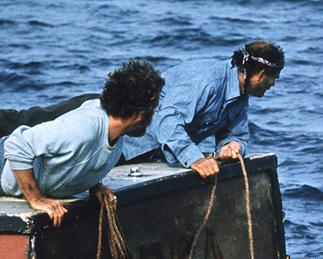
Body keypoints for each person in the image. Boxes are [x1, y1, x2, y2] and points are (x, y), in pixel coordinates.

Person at [0, 59, 164, 227]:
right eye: (154, 107)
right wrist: (36, 199)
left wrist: (94, 185)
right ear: (139, 114)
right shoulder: (83, 127)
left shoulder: (116, 133)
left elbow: (83, 156)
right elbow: (18, 145)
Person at [121, 40, 285, 178]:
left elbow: (237, 135)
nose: (273, 84)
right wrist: (195, 159)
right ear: (261, 74)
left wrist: (231, 146)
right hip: (125, 146)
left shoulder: (241, 95)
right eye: (274, 78)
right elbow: (167, 119)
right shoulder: (207, 81)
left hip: (157, 159)